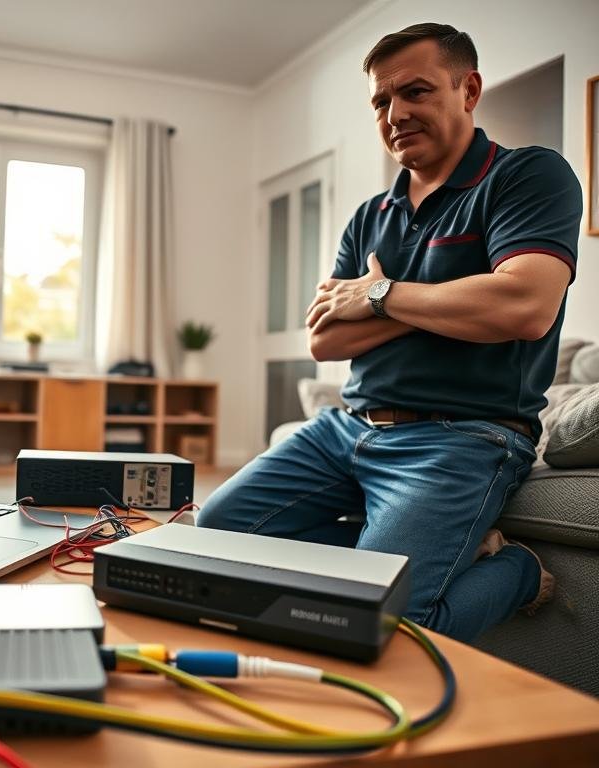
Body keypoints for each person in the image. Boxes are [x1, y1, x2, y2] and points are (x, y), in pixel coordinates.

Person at [197, 23, 582, 642]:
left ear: (468, 90)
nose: (395, 114)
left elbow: (525, 306)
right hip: (347, 427)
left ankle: (514, 571)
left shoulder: (528, 175)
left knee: (379, 622)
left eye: (416, 92)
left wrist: (376, 296)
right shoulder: (369, 216)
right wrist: (450, 301)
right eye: (381, 101)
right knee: (216, 531)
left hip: (460, 437)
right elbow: (325, 340)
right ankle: (407, 554)